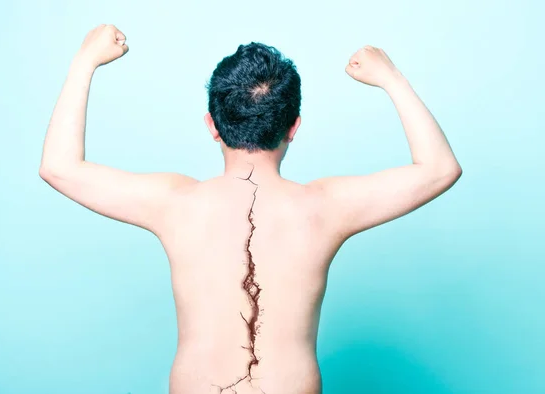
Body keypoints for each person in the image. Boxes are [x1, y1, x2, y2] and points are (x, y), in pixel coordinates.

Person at [39, 24, 462, 394]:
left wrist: (85, 61)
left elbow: (58, 167)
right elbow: (440, 169)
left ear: (212, 125)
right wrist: (391, 78)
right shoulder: (325, 207)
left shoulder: (174, 203)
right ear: (294, 127)